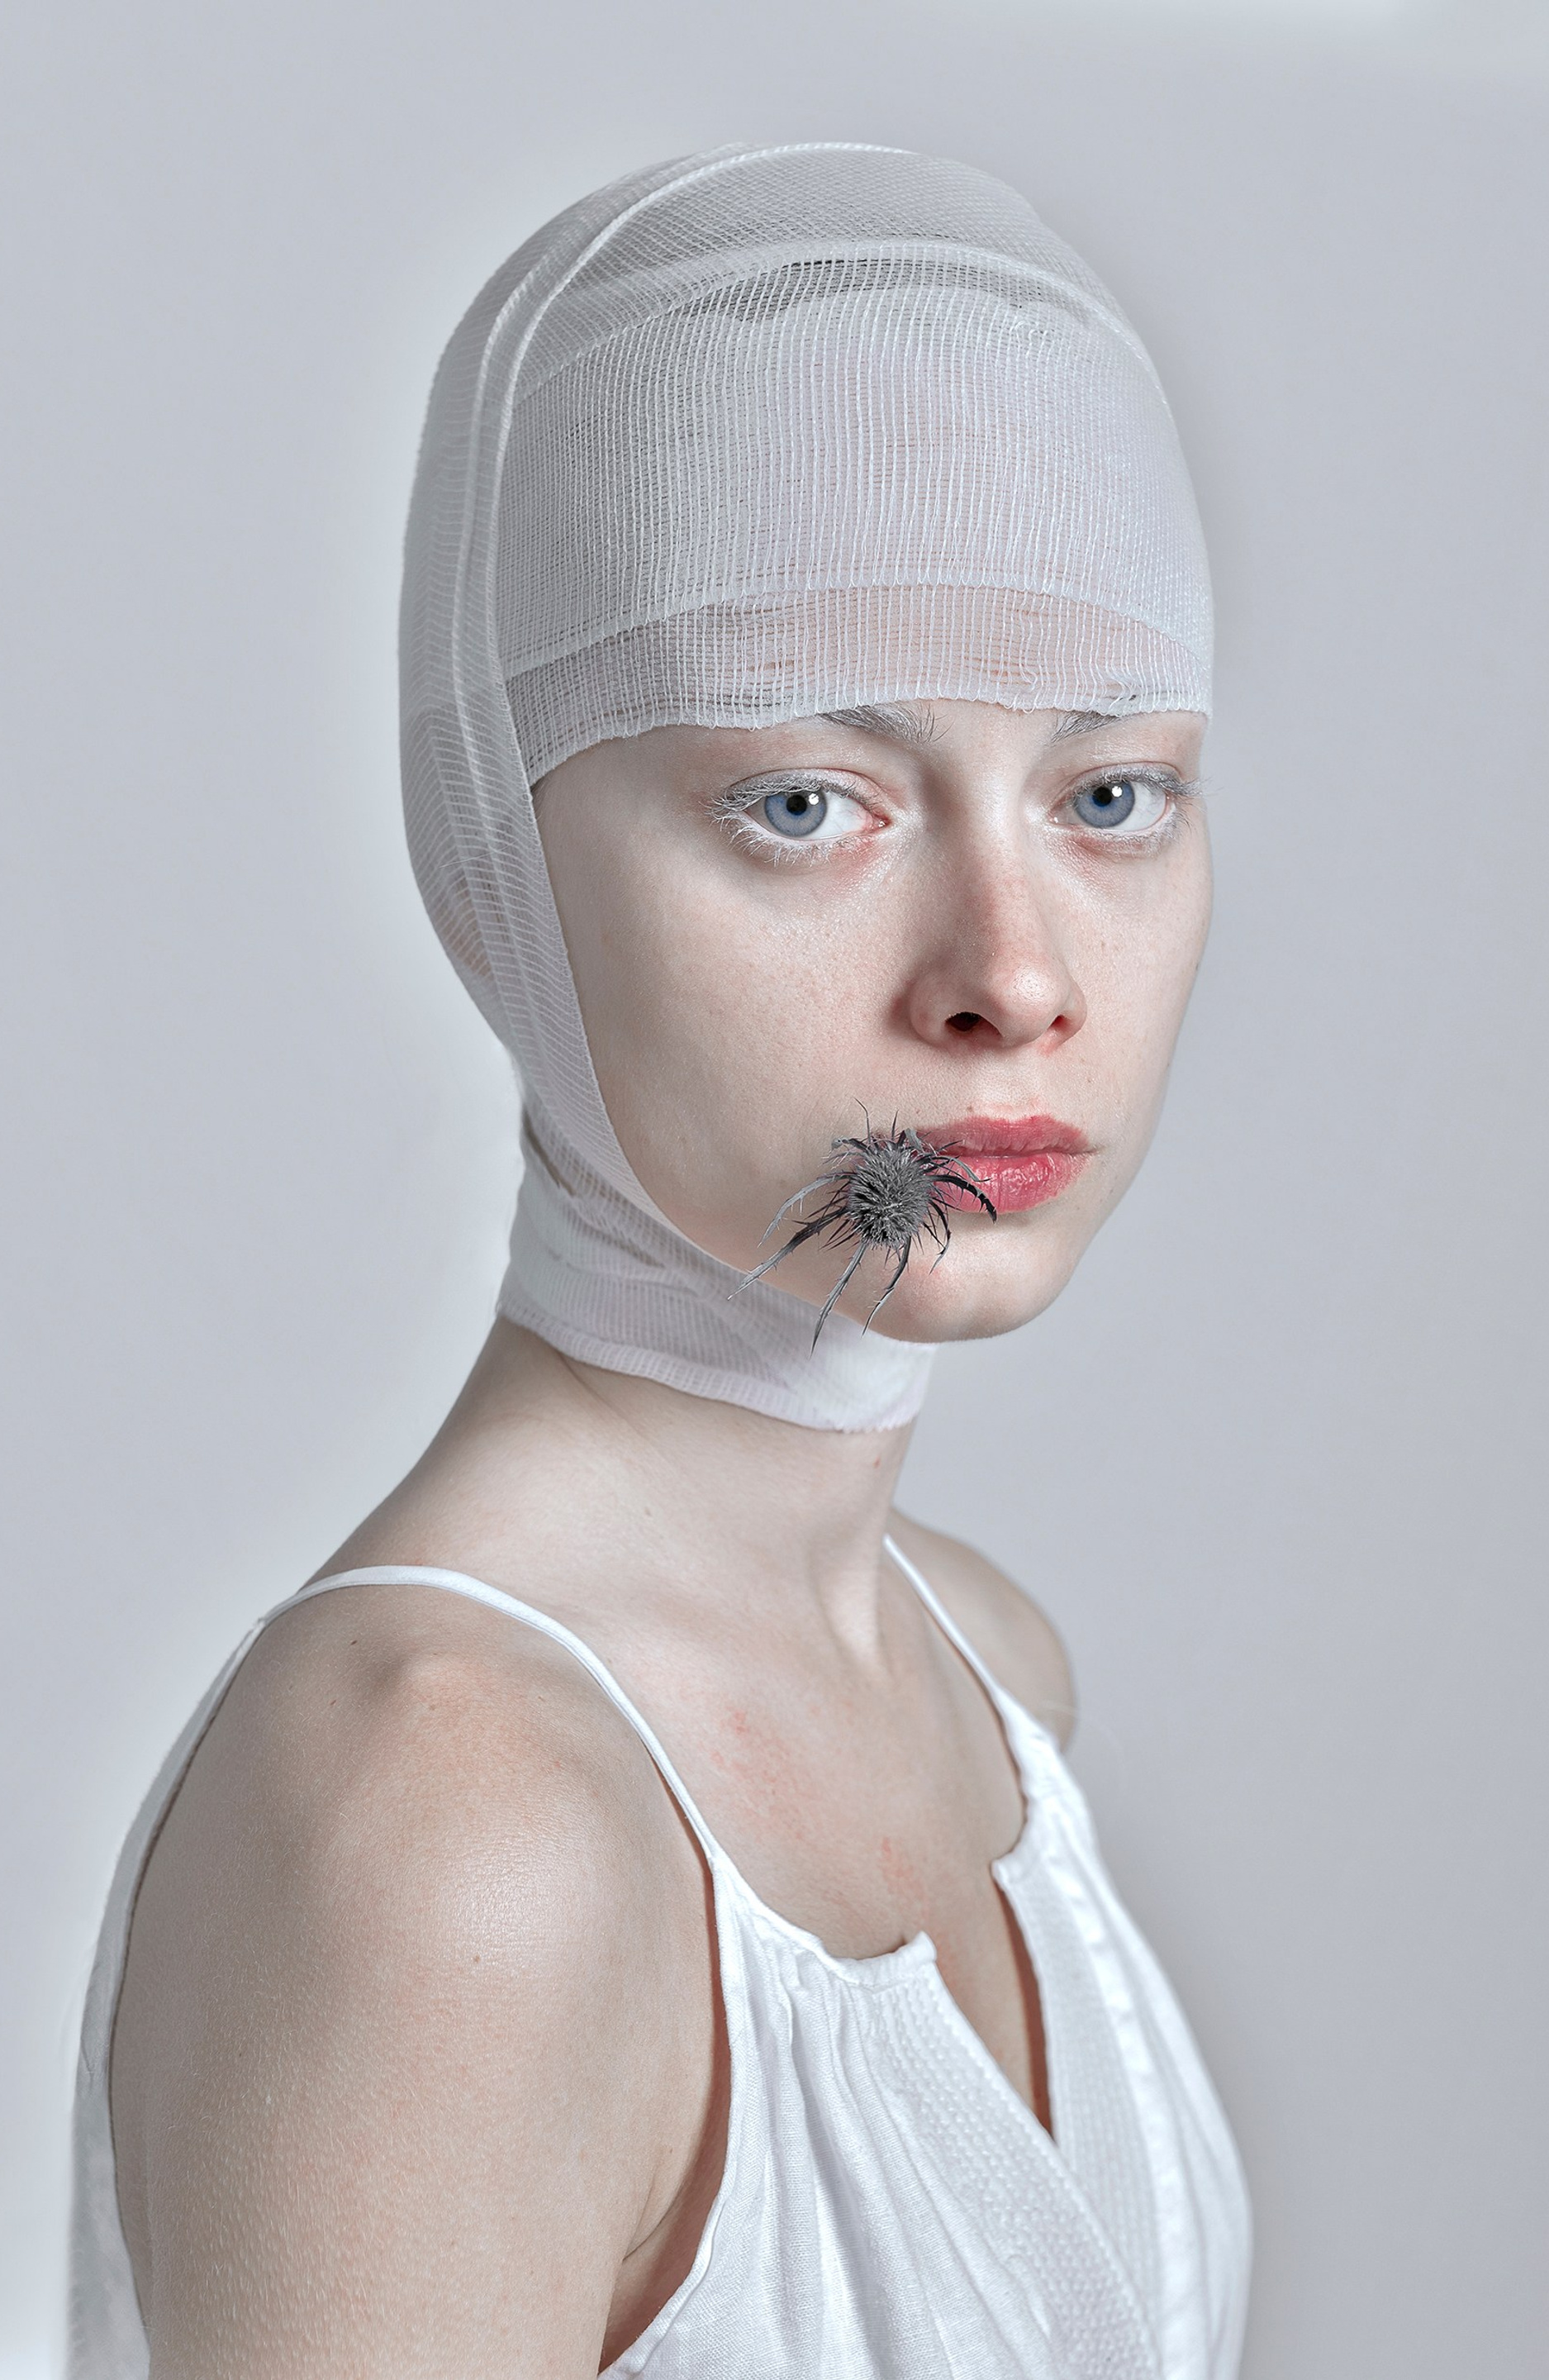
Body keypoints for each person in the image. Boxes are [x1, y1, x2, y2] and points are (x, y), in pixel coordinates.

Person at [70, 144, 1252, 2378]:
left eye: (1110, 795)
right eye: (806, 805)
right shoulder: (449, 1822)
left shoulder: (988, 1675)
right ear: (487, 859)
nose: (1015, 977)